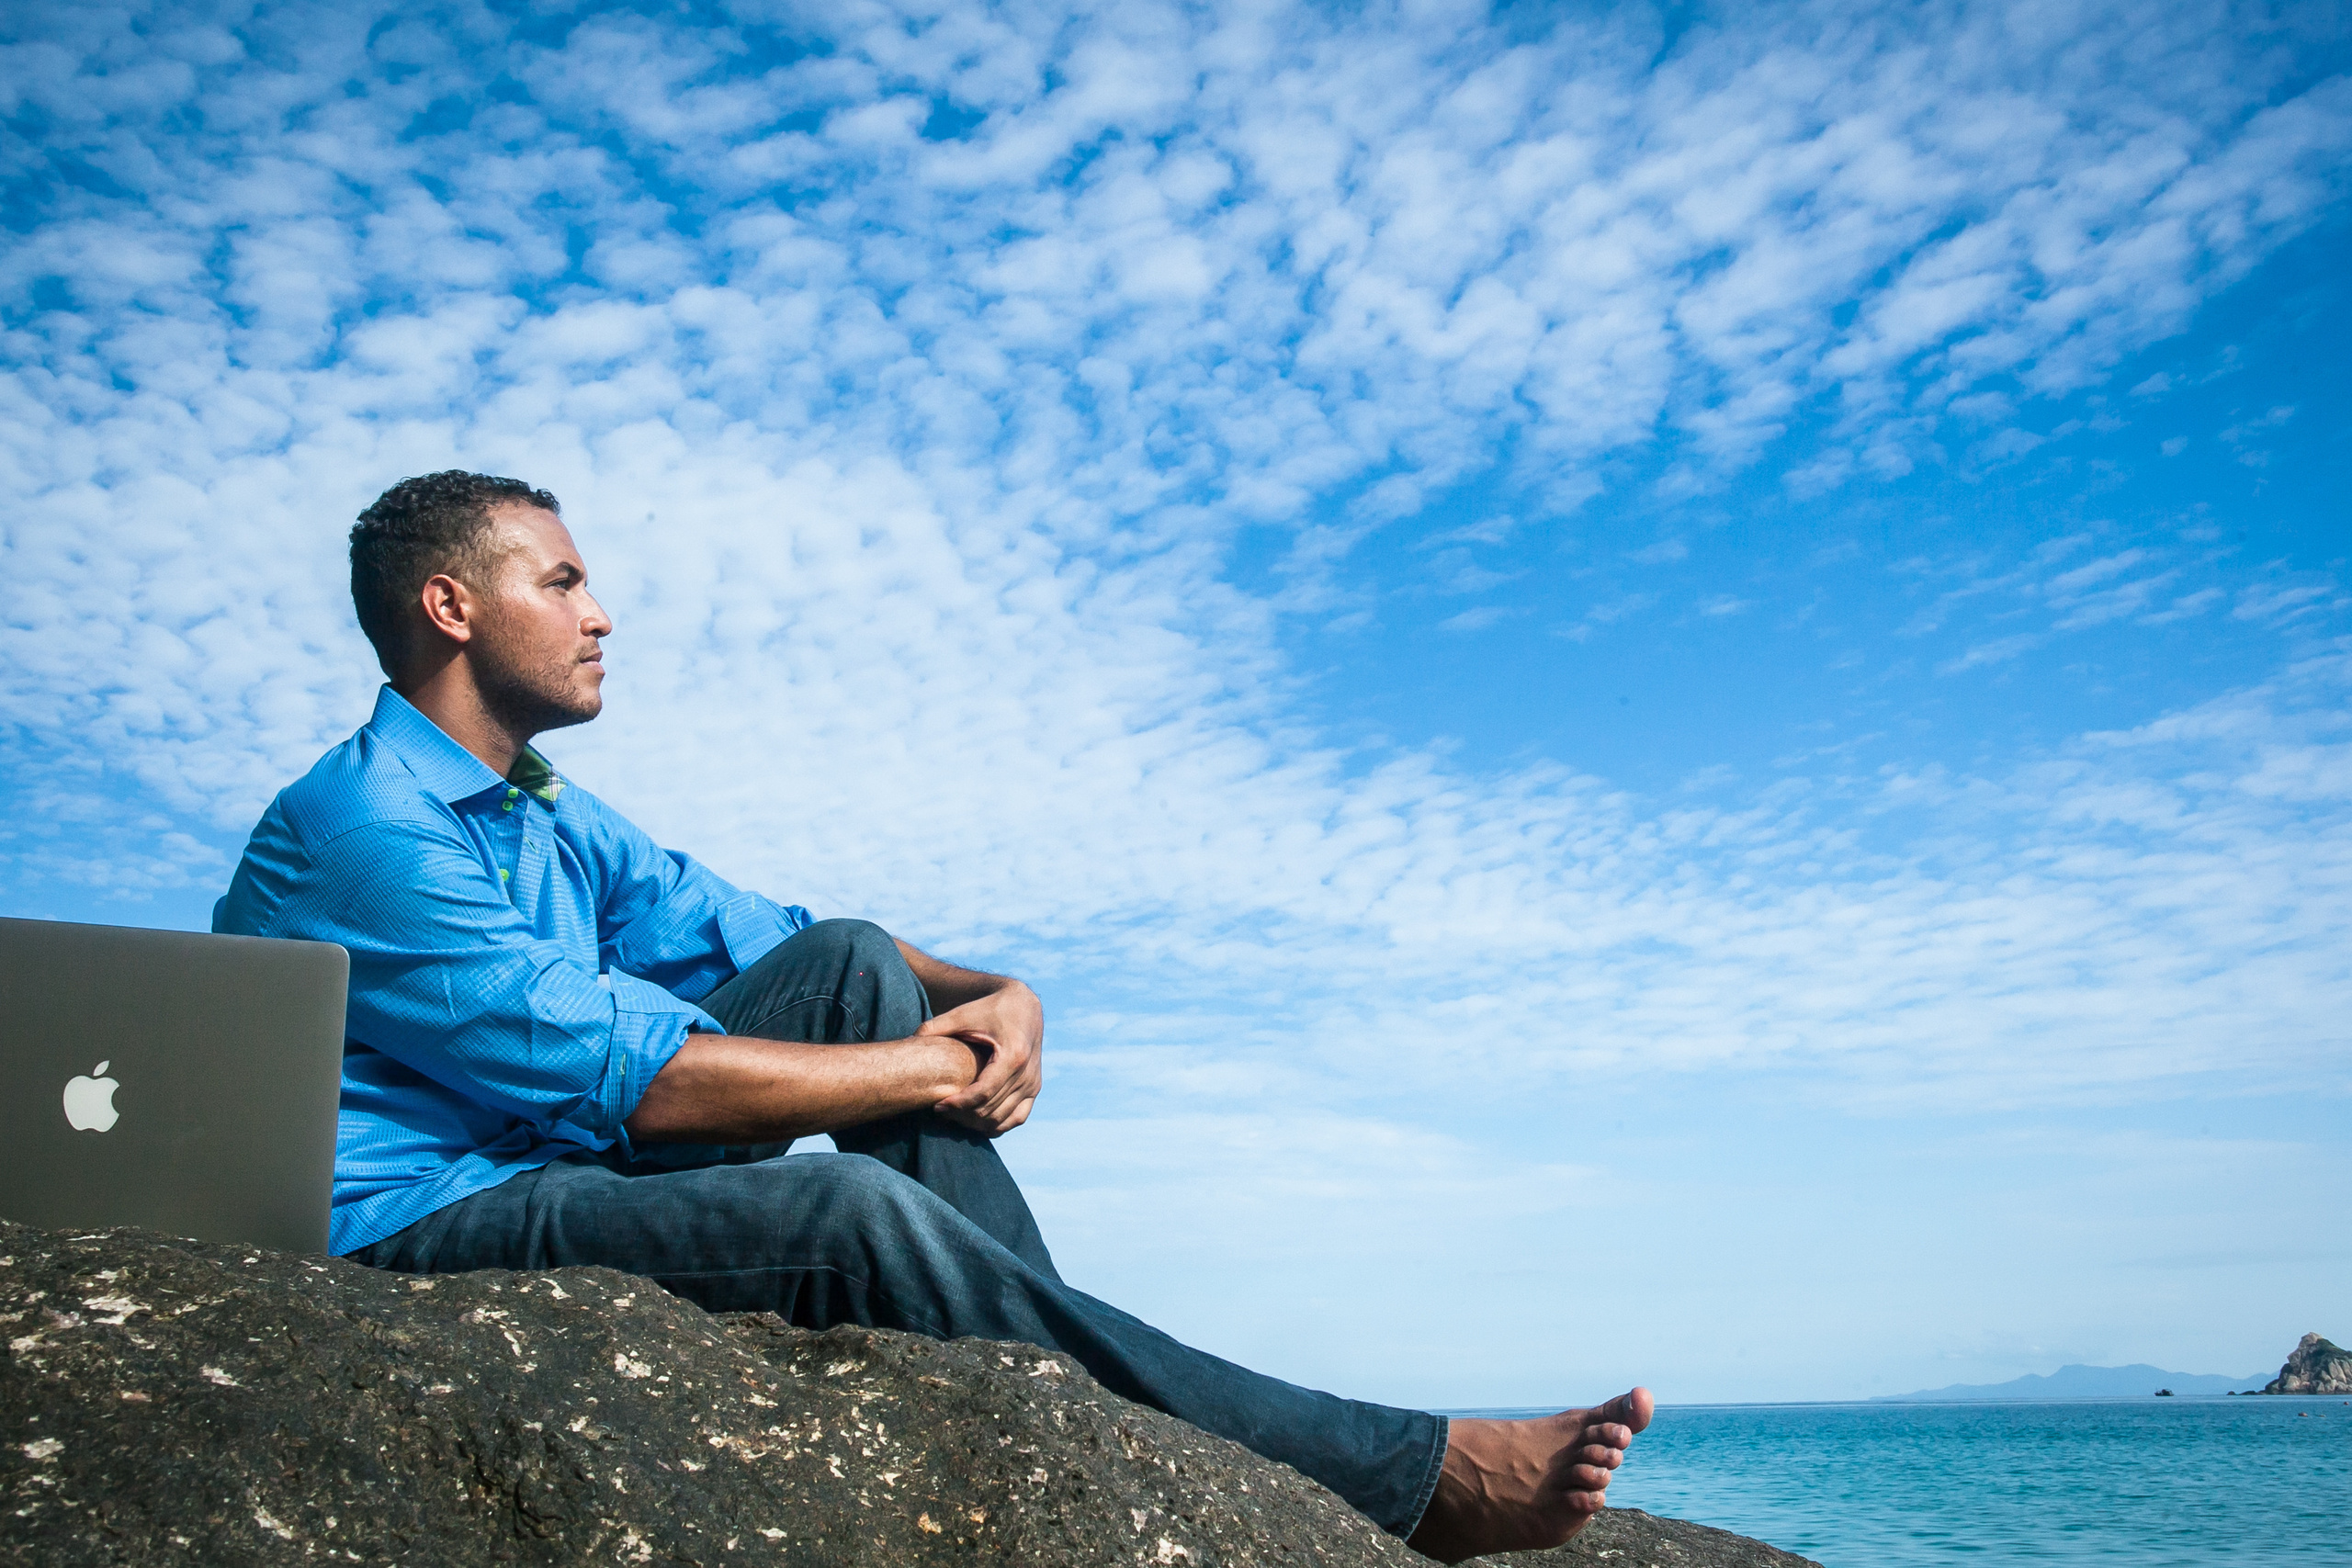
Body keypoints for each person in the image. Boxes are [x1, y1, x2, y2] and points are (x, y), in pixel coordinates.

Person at [215, 470, 1651, 1561]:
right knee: (852, 1218)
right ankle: (1414, 1478)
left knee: (848, 960)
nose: (602, 615)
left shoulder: (541, 806)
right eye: (565, 580)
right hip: (414, 1220)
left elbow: (774, 938)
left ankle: (1078, 1397)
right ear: (452, 608)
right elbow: (638, 1082)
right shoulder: (367, 825)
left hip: (547, 1159)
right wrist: (923, 1069)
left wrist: (990, 992)